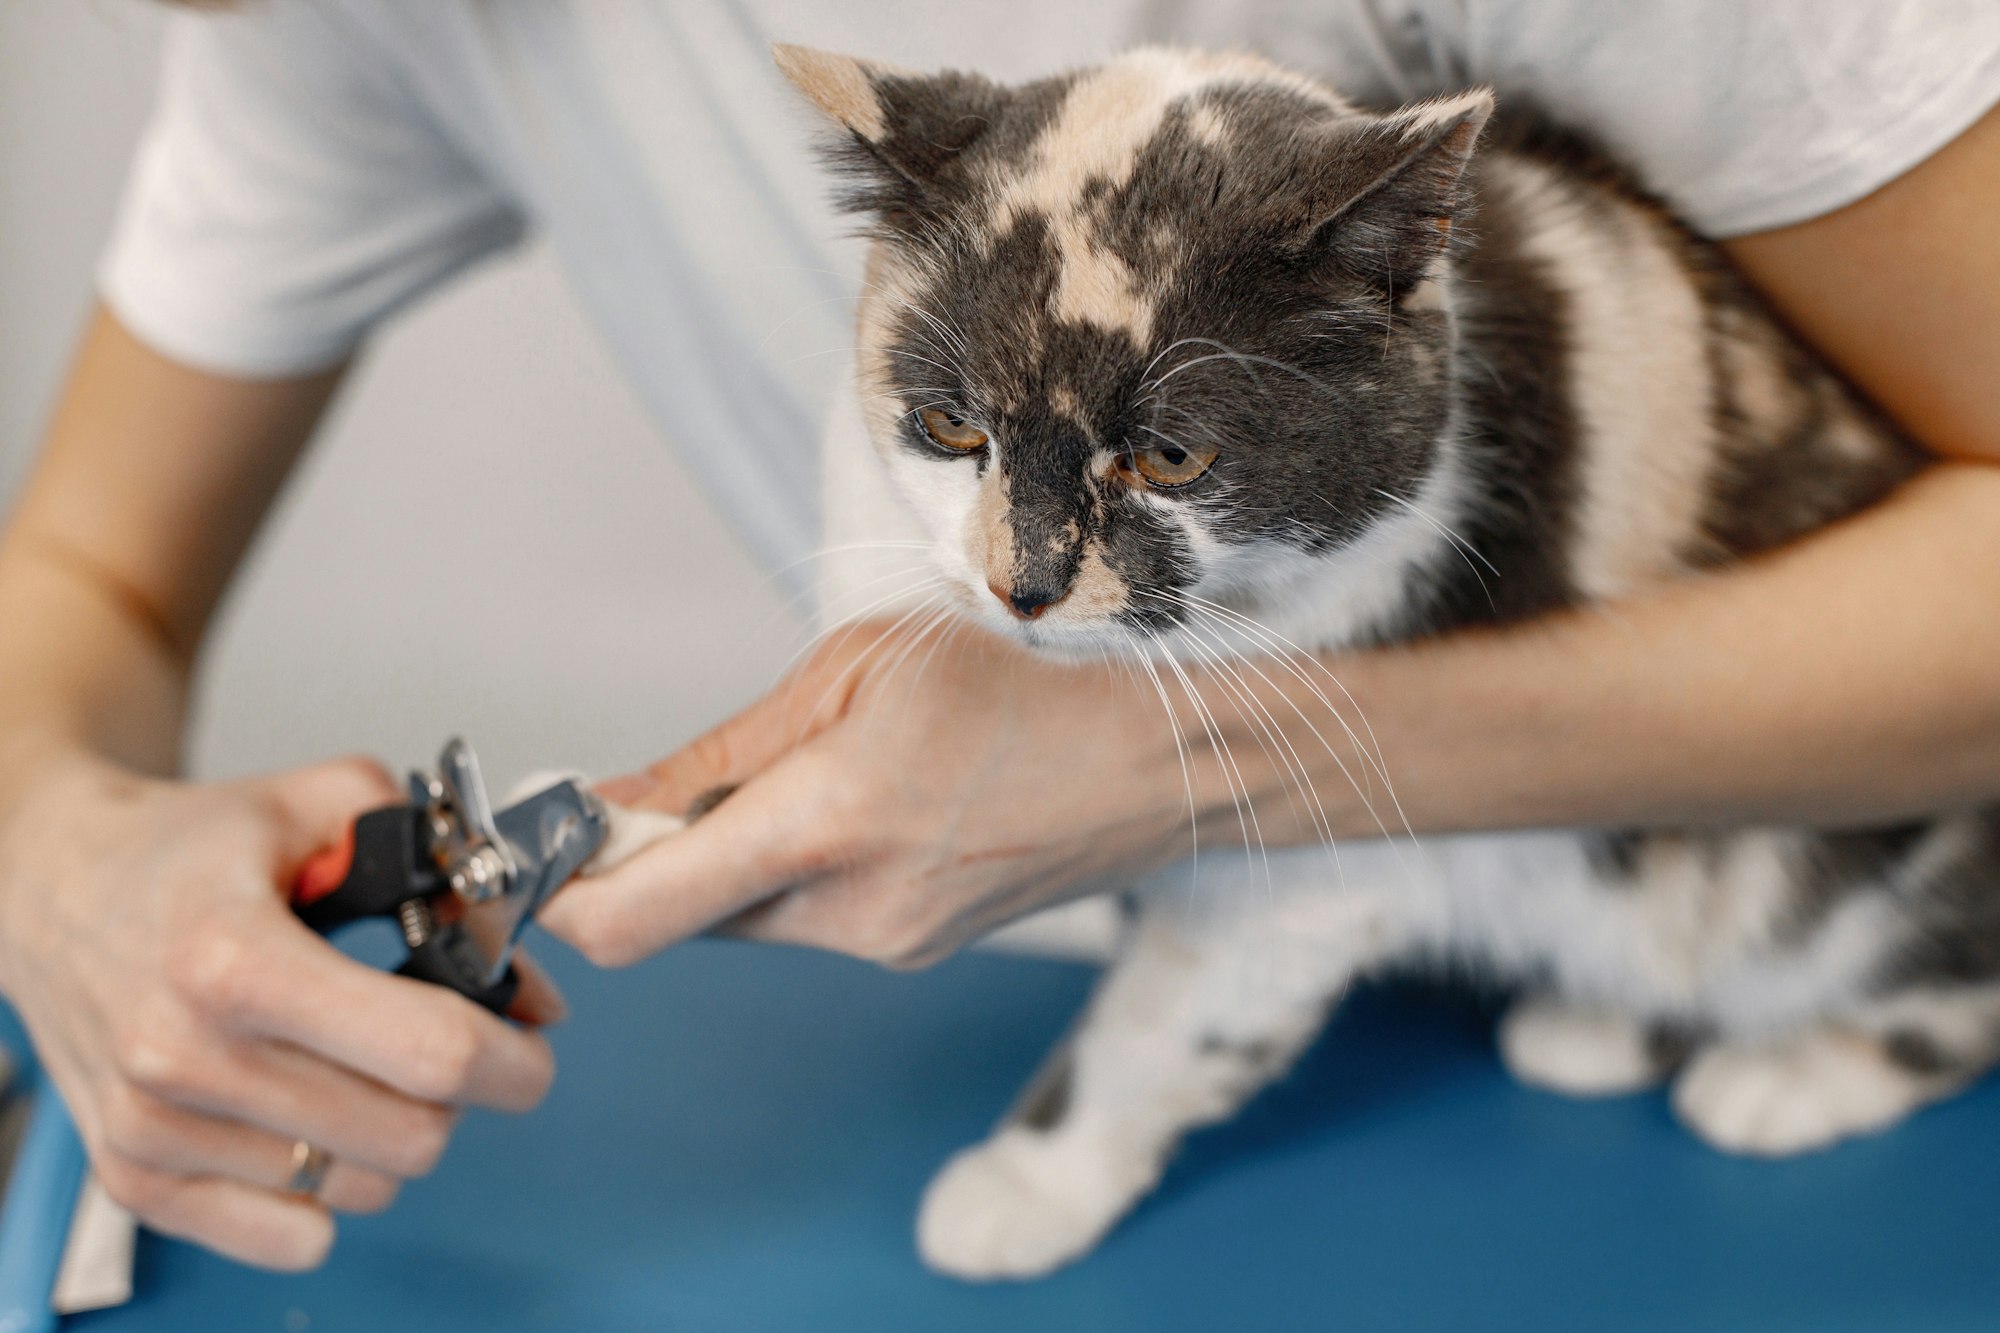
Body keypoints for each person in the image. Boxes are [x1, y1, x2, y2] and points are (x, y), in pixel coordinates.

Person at [1, 0, 1996, 1273]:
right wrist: (61, 859)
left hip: (1791, 896)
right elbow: (88, 576)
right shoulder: (303, 18)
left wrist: (1175, 774)